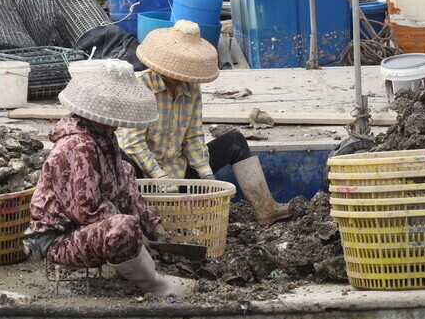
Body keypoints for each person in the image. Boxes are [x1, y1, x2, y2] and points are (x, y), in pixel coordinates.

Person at [26, 59, 194, 297]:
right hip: (60, 237)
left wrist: (152, 226)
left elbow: (122, 188)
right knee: (123, 228)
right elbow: (86, 211)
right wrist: (134, 232)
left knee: (125, 169)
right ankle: (154, 284)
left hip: (85, 229)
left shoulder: (104, 136)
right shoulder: (78, 146)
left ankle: (139, 257)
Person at [118, 20, 291, 226]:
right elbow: (133, 143)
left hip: (179, 176)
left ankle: (266, 208)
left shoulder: (191, 89)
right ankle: (133, 216)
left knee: (235, 141)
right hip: (145, 178)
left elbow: (193, 137)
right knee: (120, 158)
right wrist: (159, 177)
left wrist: (206, 174)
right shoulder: (141, 88)